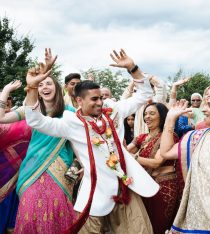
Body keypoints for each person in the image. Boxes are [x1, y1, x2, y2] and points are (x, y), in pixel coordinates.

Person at [24, 49, 159, 234]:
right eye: (94, 99)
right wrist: (32, 88)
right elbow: (36, 121)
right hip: (94, 194)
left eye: (101, 98)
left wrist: (132, 68)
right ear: (79, 100)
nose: (100, 103)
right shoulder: (71, 123)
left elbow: (144, 94)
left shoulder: (114, 111)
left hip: (125, 187)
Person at [0, 49, 78, 233]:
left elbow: (77, 143)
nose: (45, 87)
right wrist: (5, 91)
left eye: (49, 83)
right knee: (30, 210)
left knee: (57, 211)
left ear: (57, 87)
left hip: (61, 169)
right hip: (32, 168)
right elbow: (1, 118)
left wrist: (77, 165)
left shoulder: (70, 113)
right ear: (37, 89)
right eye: (40, 84)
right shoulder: (30, 110)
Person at [160, 90, 210, 232]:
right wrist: (170, 119)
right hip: (198, 225)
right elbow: (166, 152)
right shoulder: (197, 137)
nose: (203, 109)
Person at [127, 102, 182, 234]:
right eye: (145, 114)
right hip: (145, 186)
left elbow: (156, 162)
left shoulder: (169, 137)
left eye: (152, 113)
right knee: (146, 225)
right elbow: (124, 150)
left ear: (162, 116)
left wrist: (132, 157)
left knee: (159, 225)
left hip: (164, 187)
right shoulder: (142, 137)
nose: (147, 117)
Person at [0, 81, 32, 234]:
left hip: (20, 175)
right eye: (4, 99)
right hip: (2, 174)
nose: (7, 101)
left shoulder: (20, 117)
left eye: (9, 99)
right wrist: (6, 90)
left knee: (15, 215)